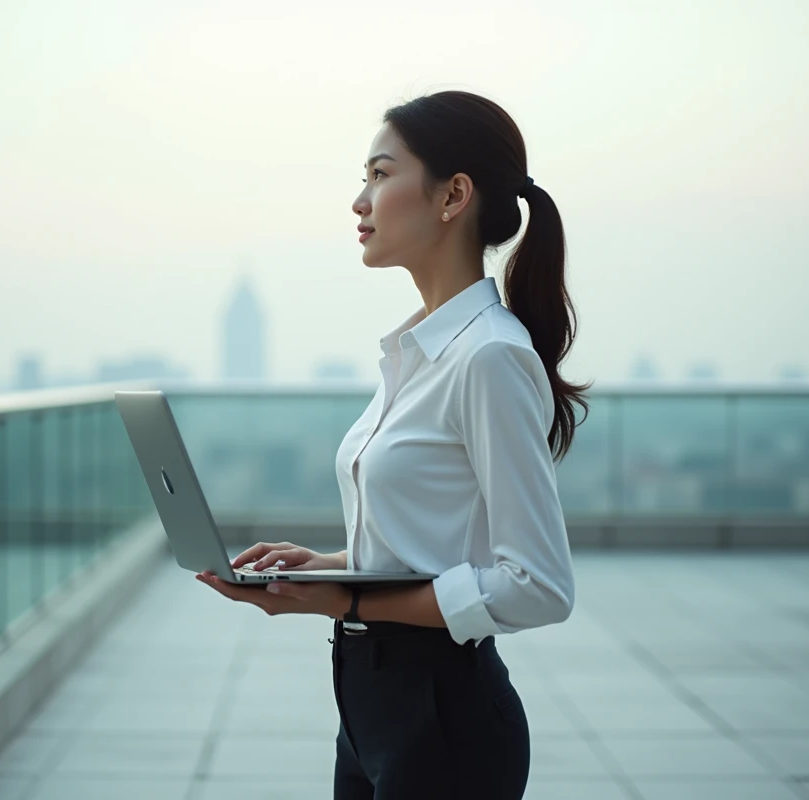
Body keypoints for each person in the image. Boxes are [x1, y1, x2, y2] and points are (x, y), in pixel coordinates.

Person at [196, 89, 586, 799]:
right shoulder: (416, 351)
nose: (359, 200)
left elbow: (539, 586)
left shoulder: (487, 357)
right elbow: (439, 542)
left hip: (444, 719)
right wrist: (330, 567)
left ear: (452, 195)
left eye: (380, 175)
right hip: (372, 708)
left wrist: (343, 600)